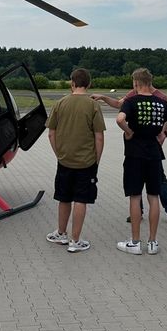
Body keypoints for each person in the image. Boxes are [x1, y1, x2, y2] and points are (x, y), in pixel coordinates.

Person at [116, 68, 167, 256]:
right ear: (150, 82)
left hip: (134, 155)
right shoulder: (161, 103)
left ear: (135, 83)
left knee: (134, 196)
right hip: (154, 155)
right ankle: (152, 242)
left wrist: (129, 131)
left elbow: (120, 118)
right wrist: (166, 133)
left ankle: (134, 242)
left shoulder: (131, 101)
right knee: (153, 196)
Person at [92, 87, 167, 224]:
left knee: (157, 181)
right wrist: (103, 97)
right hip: (141, 149)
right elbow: (118, 104)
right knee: (147, 185)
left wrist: (163, 134)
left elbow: (164, 120)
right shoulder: (133, 94)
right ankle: (138, 213)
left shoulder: (160, 97)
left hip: (146, 147)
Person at [45, 68, 105, 253]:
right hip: (86, 162)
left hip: (64, 160)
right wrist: (97, 160)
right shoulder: (93, 105)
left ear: (72, 83)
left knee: (64, 197)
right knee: (81, 199)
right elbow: (99, 137)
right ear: (89, 84)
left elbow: (51, 133)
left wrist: (59, 153)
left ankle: (61, 233)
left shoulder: (60, 103)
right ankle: (75, 240)